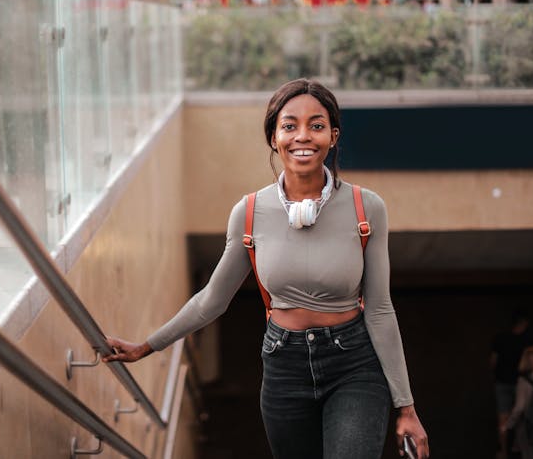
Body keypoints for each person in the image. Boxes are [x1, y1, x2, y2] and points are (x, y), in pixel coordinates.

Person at [103, 79, 429, 459]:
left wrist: (405, 407)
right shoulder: (250, 212)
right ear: (274, 137)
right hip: (284, 365)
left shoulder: (366, 207)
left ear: (333, 136)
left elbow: (379, 308)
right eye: (289, 126)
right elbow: (212, 300)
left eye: (317, 125)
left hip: (354, 364)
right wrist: (146, 346)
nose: (302, 136)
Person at [492, 310, 533, 458]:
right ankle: (524, 451)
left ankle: (504, 452)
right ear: (524, 323)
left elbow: (492, 361)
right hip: (520, 383)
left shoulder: (500, 339)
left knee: (504, 420)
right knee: (522, 418)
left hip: (502, 382)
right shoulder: (527, 340)